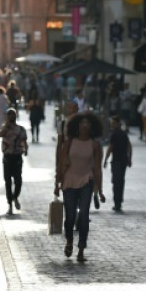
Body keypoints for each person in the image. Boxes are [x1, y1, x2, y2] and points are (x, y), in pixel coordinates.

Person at [55, 112, 104, 263]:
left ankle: (81, 249)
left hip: (86, 182)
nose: (85, 125)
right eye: (82, 123)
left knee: (83, 216)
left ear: (92, 127)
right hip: (69, 181)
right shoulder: (70, 142)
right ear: (77, 125)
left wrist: (100, 190)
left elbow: (97, 168)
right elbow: (61, 163)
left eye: (88, 123)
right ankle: (69, 241)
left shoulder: (95, 145)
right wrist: (57, 184)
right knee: (69, 216)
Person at [0, 109, 28, 215]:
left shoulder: (21, 129)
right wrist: (6, 125)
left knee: (18, 181)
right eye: (9, 115)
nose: (11, 117)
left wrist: (26, 149)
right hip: (7, 158)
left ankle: (15, 197)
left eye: (13, 115)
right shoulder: (5, 128)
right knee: (8, 182)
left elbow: (24, 141)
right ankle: (10, 204)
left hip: (17, 157)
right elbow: (0, 135)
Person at [104, 116, 132, 212]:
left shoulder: (114, 134)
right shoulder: (124, 134)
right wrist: (129, 158)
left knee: (116, 182)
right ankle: (119, 202)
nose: (112, 124)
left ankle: (117, 203)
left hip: (116, 161)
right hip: (123, 161)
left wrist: (105, 160)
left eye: (113, 123)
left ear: (117, 123)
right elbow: (129, 146)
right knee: (120, 181)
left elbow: (110, 148)